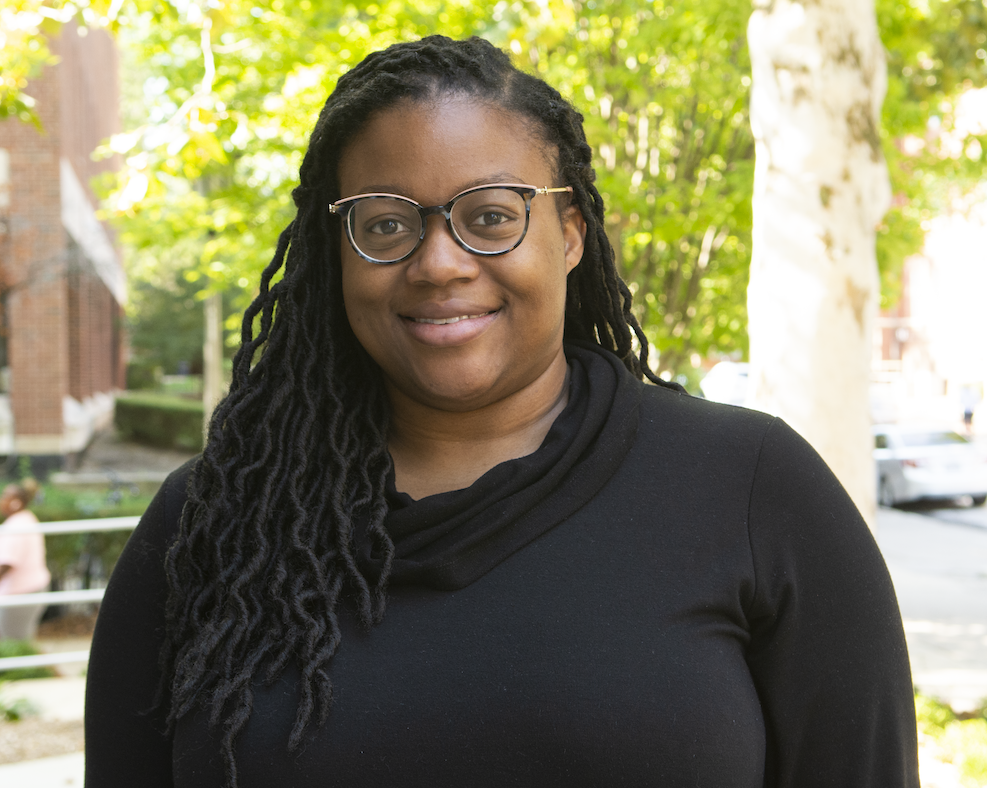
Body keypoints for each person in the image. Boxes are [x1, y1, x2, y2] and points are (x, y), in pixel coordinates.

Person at [85, 36, 919, 788]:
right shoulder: (211, 523)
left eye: (490, 216)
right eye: (385, 224)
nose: (439, 262)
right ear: (336, 252)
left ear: (569, 232)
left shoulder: (754, 491)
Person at [0, 478, 50, 641]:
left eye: (4, 496)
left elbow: (7, 563)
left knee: (17, 643)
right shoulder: (26, 518)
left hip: (22, 593)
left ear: (16, 502)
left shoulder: (17, 526)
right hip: (28, 590)